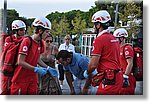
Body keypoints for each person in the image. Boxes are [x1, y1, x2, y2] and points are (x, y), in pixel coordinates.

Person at [10, 17, 58, 95]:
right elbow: (20, 61)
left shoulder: (41, 43)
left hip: (32, 78)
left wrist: (48, 68)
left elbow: (37, 59)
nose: (48, 34)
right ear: (40, 31)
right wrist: (35, 69)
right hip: (21, 79)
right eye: (46, 31)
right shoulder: (27, 41)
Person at [83, 10, 123, 95]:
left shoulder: (99, 40)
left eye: (94, 24)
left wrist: (87, 72)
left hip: (110, 78)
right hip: (117, 77)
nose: (93, 27)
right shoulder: (113, 38)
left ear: (98, 25)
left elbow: (93, 65)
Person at [0, 20, 26, 95]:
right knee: (5, 91)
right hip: (7, 71)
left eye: (24, 30)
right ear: (15, 31)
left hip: (17, 70)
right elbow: (9, 51)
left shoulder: (24, 40)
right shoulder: (9, 39)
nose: (23, 32)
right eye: (21, 30)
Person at [113, 28, 136, 95]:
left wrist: (125, 76)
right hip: (120, 76)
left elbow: (130, 63)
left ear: (122, 38)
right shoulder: (118, 48)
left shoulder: (127, 48)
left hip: (127, 77)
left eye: (116, 38)